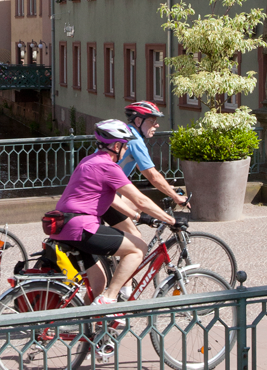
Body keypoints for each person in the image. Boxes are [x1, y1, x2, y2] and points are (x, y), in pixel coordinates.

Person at [50, 119, 177, 309]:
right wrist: (171, 220)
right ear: (116, 146)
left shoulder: (88, 161)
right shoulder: (108, 167)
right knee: (138, 248)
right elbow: (140, 200)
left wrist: (139, 217)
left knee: (98, 283)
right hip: (81, 228)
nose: (126, 150)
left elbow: (109, 199)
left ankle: (88, 330)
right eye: (125, 146)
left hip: (64, 226)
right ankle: (110, 298)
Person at [101, 101, 187, 238]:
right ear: (139, 120)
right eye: (152, 121)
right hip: (105, 194)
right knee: (136, 239)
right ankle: (116, 247)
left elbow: (144, 170)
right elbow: (152, 176)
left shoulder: (127, 134)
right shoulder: (134, 140)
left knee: (140, 206)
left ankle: (113, 245)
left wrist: (166, 188)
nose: (157, 125)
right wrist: (175, 197)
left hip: (108, 191)